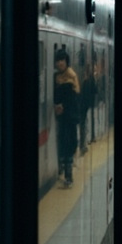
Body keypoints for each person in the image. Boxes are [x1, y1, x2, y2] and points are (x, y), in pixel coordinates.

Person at [53, 48, 80, 187]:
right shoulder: (57, 77)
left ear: (66, 61)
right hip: (62, 118)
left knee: (68, 145)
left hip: (69, 118)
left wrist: (63, 106)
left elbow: (73, 99)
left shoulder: (70, 77)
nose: (60, 63)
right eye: (58, 60)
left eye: (62, 60)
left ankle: (68, 176)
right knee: (63, 144)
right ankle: (64, 171)